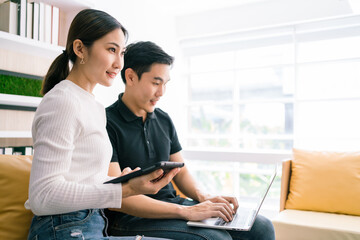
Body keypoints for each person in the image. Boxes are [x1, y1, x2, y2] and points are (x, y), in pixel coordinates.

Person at [25, 9, 180, 240]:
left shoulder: (93, 106)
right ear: (80, 49)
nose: (119, 63)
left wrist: (123, 181)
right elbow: (43, 196)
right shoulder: (62, 101)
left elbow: (84, 181)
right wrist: (126, 189)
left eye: (122, 52)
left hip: (90, 223)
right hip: (63, 227)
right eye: (111, 50)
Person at [105, 41, 275, 240]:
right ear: (131, 76)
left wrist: (203, 196)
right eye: (155, 83)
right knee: (215, 238)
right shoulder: (107, 123)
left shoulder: (163, 119)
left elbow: (181, 171)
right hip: (130, 218)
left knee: (262, 227)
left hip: (173, 204)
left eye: (165, 84)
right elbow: (118, 198)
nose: (161, 92)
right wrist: (185, 211)